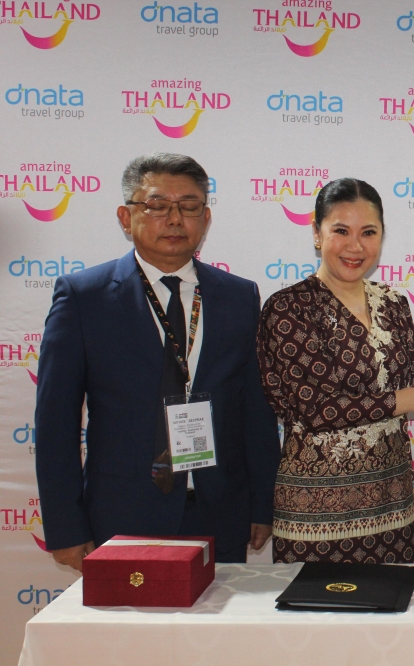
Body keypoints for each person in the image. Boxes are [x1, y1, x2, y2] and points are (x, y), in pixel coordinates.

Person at [35, 153, 282, 569]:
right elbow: (55, 422)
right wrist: (67, 528)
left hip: (219, 512)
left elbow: (255, 410)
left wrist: (262, 503)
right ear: (125, 217)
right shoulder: (84, 298)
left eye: (188, 206)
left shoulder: (239, 296)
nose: (174, 219)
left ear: (205, 218)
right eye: (156, 206)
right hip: (122, 515)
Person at [257, 178, 414, 564]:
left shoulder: (394, 303)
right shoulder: (288, 308)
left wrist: (410, 483)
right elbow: (315, 411)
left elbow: (396, 413)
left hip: (392, 505)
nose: (355, 246)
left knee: (392, 604)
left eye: (368, 232)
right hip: (315, 513)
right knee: (313, 606)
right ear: (317, 233)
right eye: (341, 231)